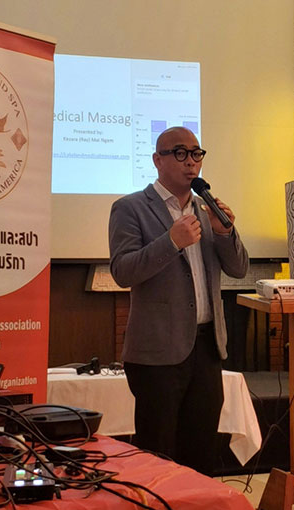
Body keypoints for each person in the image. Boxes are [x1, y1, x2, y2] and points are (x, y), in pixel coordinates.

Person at [108, 126, 249, 476]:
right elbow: (123, 271)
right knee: (158, 455)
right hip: (157, 352)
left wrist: (225, 232)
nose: (191, 162)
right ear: (157, 160)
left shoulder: (207, 209)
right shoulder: (130, 208)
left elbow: (238, 268)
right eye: (180, 153)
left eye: (196, 153)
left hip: (206, 348)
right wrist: (171, 242)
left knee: (202, 452)